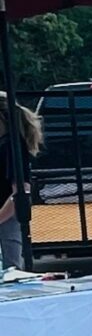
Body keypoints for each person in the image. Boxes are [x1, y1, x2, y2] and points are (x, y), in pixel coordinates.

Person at [0, 91, 42, 271]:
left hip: (6, 218)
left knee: (10, 271)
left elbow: (20, 191)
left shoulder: (11, 146)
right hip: (5, 216)